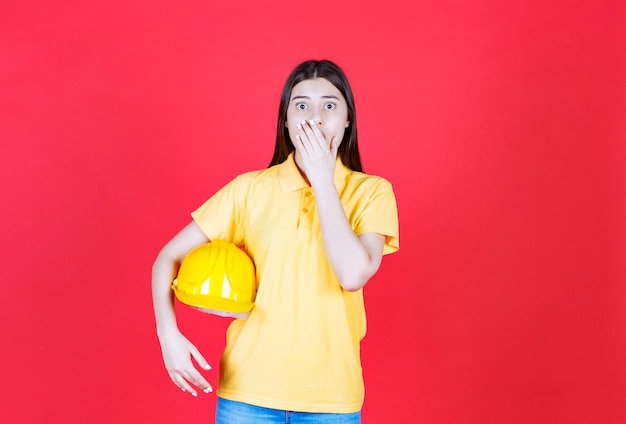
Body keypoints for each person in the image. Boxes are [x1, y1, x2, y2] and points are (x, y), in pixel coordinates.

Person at [152, 59, 399, 423]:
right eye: (301, 105)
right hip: (247, 395)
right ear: (286, 120)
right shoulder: (249, 189)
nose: (314, 117)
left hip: (331, 401)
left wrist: (323, 180)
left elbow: (352, 275)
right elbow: (167, 257)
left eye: (329, 105)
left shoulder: (372, 192)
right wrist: (168, 336)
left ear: (348, 119)